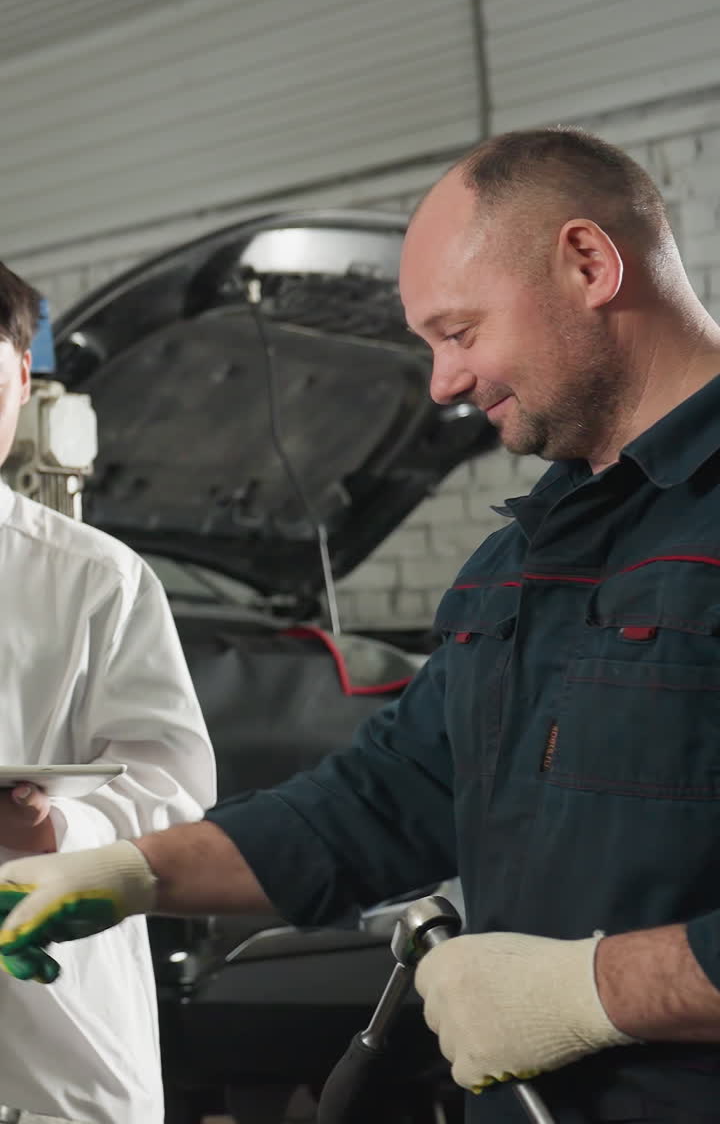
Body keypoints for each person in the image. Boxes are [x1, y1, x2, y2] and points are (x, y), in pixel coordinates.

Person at [2, 127, 720, 1123]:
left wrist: (599, 989)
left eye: (459, 332)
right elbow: (375, 804)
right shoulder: (519, 565)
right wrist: (123, 869)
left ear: (590, 262)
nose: (442, 384)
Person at [0, 263, 216, 1123]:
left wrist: (54, 825)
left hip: (47, 1050)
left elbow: (174, 797)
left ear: (20, 378)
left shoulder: (94, 581)